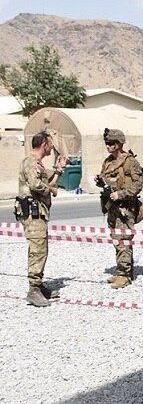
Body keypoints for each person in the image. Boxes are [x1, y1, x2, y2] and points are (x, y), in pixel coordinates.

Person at [16, 131, 67, 307]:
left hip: (39, 212)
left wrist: (58, 172)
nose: (52, 147)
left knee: (41, 247)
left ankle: (38, 285)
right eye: (50, 144)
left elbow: (47, 182)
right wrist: (51, 191)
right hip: (32, 212)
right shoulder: (31, 162)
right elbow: (36, 185)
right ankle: (33, 289)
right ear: (44, 144)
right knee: (38, 249)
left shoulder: (38, 164)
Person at [98, 128, 143, 289]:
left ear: (119, 144)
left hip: (124, 208)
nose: (108, 146)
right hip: (112, 208)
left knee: (123, 241)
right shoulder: (108, 162)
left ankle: (124, 275)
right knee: (117, 240)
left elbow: (137, 184)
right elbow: (107, 179)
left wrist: (121, 194)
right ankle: (123, 271)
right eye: (107, 143)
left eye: (111, 143)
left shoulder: (130, 162)